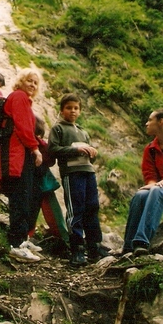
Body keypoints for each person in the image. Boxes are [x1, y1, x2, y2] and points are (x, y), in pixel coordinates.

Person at [48, 93, 108, 266]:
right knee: (76, 209)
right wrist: (76, 150)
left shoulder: (83, 131)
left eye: (76, 108)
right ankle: (77, 249)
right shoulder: (58, 129)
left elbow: (89, 158)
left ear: (80, 111)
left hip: (88, 172)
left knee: (92, 207)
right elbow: (53, 150)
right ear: (62, 110)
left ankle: (94, 247)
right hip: (72, 173)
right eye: (69, 108)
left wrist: (92, 153)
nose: (72, 111)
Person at [0, 68, 43, 262]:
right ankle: (16, 244)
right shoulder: (19, 97)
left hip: (19, 155)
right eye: (29, 80)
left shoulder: (22, 99)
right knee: (20, 198)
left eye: (35, 83)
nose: (32, 85)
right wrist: (35, 148)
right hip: (15, 155)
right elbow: (23, 127)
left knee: (25, 196)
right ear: (21, 81)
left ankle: (22, 239)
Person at [123, 108, 163, 256]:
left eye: (150, 120)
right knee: (140, 195)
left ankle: (141, 242)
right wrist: (153, 183)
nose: (146, 123)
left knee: (156, 190)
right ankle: (128, 247)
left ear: (161, 122)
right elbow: (149, 175)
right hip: (161, 190)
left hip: (162, 190)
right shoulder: (150, 149)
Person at [28, 117, 70, 253]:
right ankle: (64, 238)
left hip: (34, 182)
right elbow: (51, 161)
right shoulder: (41, 145)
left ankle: (28, 235)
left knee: (31, 210)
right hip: (44, 183)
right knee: (52, 211)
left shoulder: (27, 144)